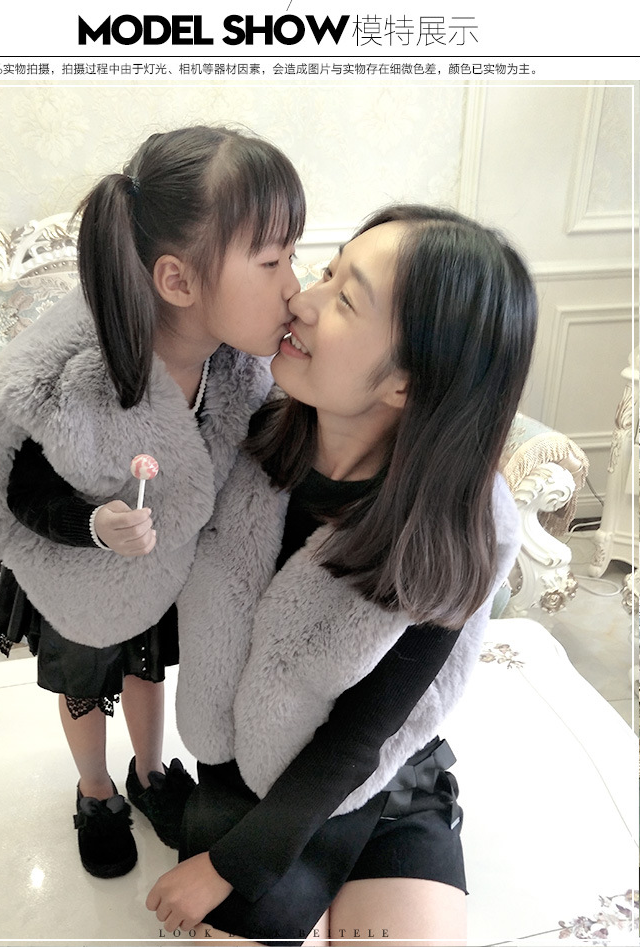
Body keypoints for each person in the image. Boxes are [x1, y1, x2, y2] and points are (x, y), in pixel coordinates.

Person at [146, 205, 537, 945]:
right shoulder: (240, 443)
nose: (303, 298)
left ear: (408, 383)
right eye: (325, 271)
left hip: (379, 783)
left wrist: (231, 866)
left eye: (346, 297)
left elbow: (364, 736)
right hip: (246, 777)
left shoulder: (459, 524)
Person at [0, 125, 305, 880]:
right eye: (272, 260)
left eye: (293, 255)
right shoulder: (79, 375)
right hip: (75, 569)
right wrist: (92, 524)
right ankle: (96, 791)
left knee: (148, 668)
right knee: (85, 682)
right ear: (178, 281)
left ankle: (150, 774)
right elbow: (14, 481)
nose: (294, 285)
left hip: (159, 564)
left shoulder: (236, 368)